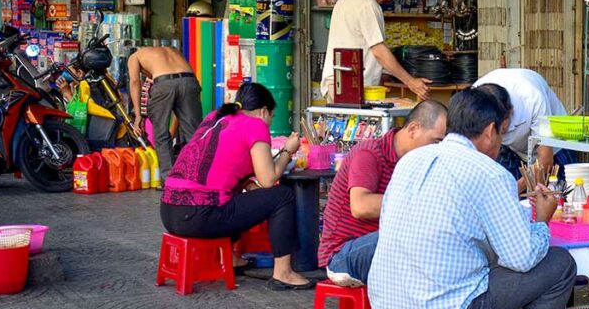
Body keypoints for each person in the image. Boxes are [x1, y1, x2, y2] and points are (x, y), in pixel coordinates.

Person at [368, 87, 578, 309]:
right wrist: (542, 220)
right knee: (559, 264)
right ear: (491, 131)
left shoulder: (411, 160)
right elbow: (520, 258)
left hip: (387, 305)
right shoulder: (490, 174)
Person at [159, 82, 314, 291]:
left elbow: (219, 166)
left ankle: (231, 258)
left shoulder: (215, 117)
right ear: (263, 112)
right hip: (199, 216)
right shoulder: (256, 124)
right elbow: (268, 179)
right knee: (282, 196)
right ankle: (283, 272)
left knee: (233, 195)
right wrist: (288, 151)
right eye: (271, 117)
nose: (268, 123)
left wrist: (248, 183)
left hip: (169, 212)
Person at [320, 99, 448, 287]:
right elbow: (361, 206)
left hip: (382, 246)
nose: (439, 149)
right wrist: (420, 202)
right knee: (415, 238)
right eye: (436, 141)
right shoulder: (369, 153)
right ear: (413, 129)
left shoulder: (420, 163)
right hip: (343, 256)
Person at [320, 0, 431, 101]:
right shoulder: (367, 4)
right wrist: (410, 81)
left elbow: (359, 42)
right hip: (351, 84)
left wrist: (382, 72)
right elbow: (378, 50)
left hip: (338, 82)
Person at [473, 68, 572, 186]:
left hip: (553, 147)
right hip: (512, 149)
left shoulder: (532, 99)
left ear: (507, 118)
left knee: (556, 192)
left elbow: (545, 160)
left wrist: (516, 188)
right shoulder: (474, 100)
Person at [128, 45, 202, 180]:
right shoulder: (171, 50)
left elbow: (134, 82)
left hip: (164, 84)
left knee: (161, 134)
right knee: (194, 133)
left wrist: (138, 116)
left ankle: (169, 179)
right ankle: (198, 175)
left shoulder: (135, 56)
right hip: (189, 81)